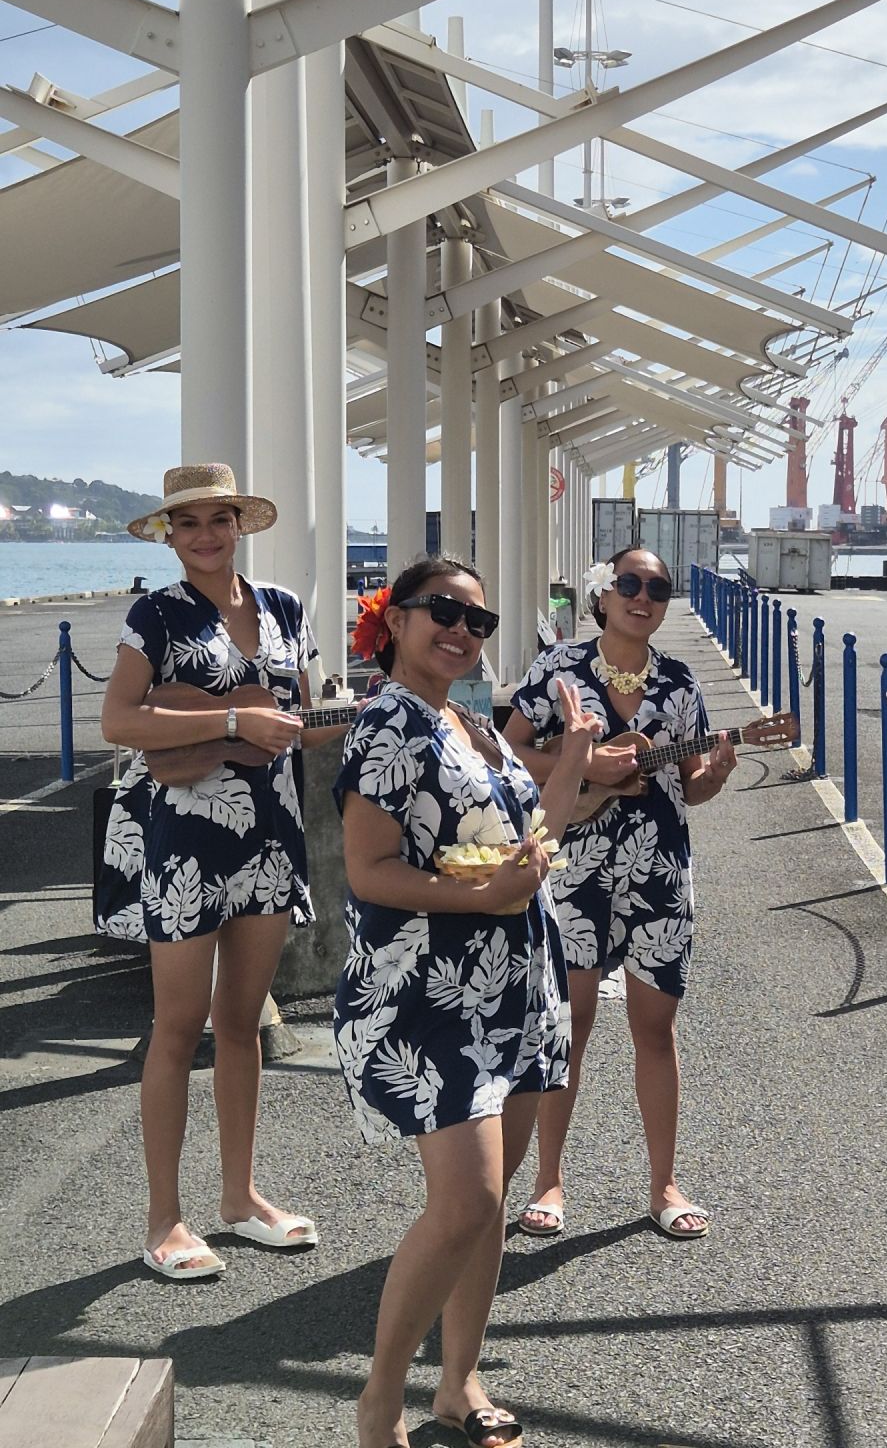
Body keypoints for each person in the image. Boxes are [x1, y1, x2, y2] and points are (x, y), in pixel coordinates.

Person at [336, 556, 601, 1448]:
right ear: (395, 622)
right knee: (464, 1201)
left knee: (488, 1205)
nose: (461, 630)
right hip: (430, 989)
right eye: (442, 612)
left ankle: (458, 1382)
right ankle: (380, 1398)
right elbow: (370, 872)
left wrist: (569, 759)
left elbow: (536, 836)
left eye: (477, 622)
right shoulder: (387, 727)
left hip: (514, 983)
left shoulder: (471, 725)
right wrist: (486, 898)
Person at [98, 463, 345, 1280]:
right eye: (188, 523)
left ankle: (238, 1200)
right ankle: (163, 1218)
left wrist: (371, 712)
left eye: (218, 519)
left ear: (240, 523)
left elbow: (300, 723)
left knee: (241, 1027)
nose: (204, 535)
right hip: (184, 839)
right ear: (169, 535)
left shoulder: (283, 608)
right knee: (177, 1028)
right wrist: (235, 715)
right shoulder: (156, 615)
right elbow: (118, 720)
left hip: (271, 835)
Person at [502, 547, 736, 1243]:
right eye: (629, 584)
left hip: (659, 870)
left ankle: (663, 1183)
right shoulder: (559, 671)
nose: (643, 597)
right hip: (575, 866)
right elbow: (503, 752)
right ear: (603, 595)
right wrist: (583, 762)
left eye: (658, 588)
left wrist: (718, 771)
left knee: (655, 1029)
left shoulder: (680, 683)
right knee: (567, 1028)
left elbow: (689, 784)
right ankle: (549, 1180)